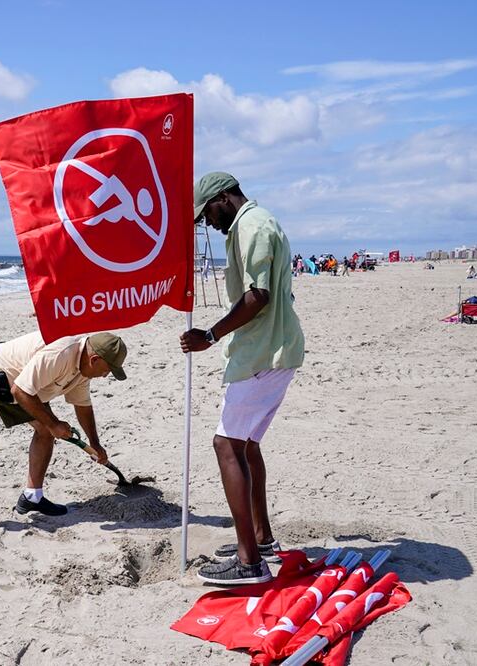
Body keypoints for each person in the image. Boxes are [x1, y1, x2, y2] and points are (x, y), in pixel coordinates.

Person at [181, 172, 305, 586]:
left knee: (226, 445)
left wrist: (211, 335)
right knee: (247, 446)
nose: (207, 225)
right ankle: (260, 537)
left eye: (207, 215)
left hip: (263, 353)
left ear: (223, 198)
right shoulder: (251, 224)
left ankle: (249, 561)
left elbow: (259, 294)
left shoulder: (252, 224)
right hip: (271, 349)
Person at [0, 331, 127, 543]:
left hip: (21, 386)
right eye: (107, 370)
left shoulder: (84, 368)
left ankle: (32, 497)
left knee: (45, 432)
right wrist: (53, 424)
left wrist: (95, 444)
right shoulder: (60, 354)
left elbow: (83, 406)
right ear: (94, 359)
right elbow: (20, 391)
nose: (105, 376)